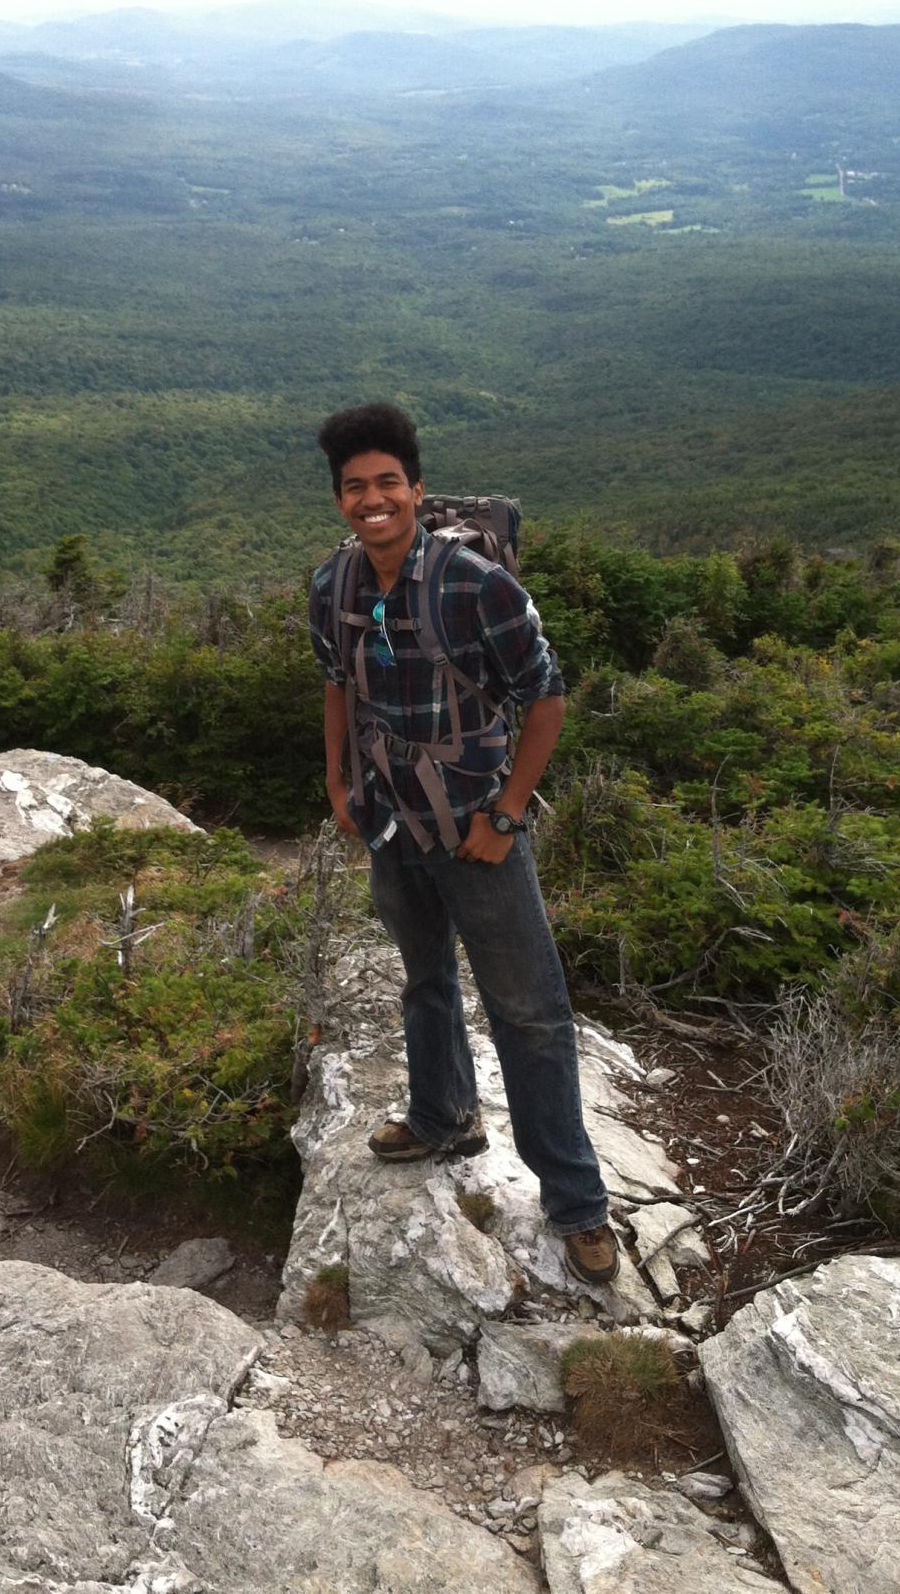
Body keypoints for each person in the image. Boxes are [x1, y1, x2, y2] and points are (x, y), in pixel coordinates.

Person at [307, 402, 619, 1285]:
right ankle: (444, 1115)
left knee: (529, 1010)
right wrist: (337, 781)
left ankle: (577, 1203)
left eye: (388, 483)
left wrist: (508, 813)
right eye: (356, 487)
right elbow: (336, 682)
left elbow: (546, 694)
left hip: (477, 826)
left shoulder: (474, 584)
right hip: (390, 818)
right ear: (340, 499)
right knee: (424, 978)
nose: (373, 500)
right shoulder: (333, 584)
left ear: (416, 488)